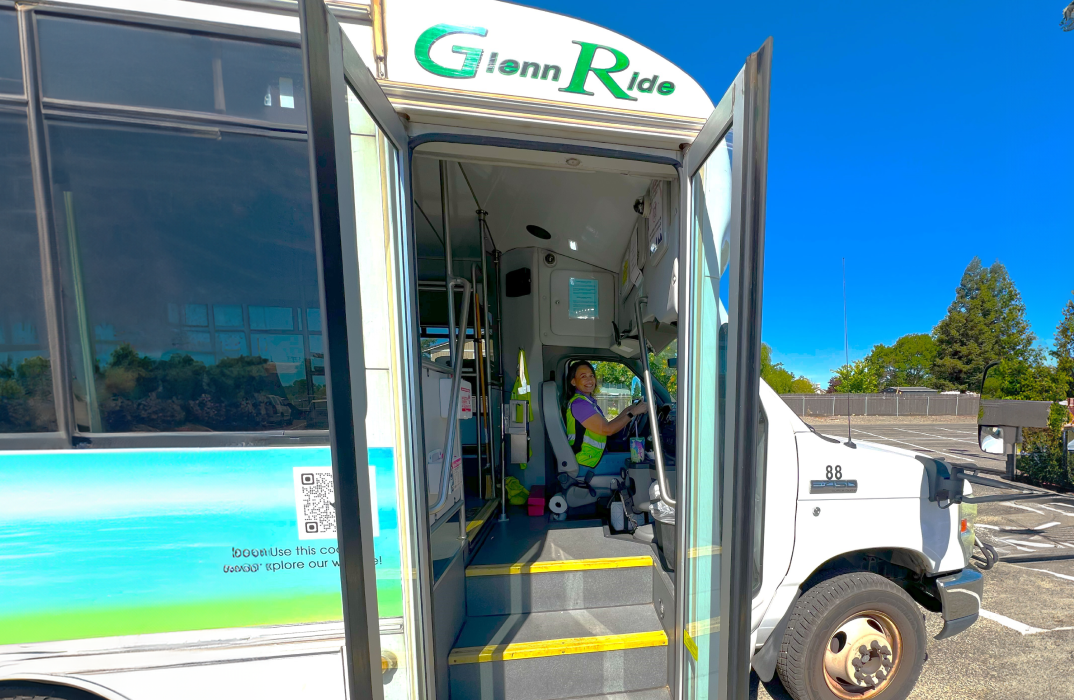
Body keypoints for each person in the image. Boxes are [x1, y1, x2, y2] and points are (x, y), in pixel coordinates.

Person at [564, 360, 648, 468]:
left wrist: (631, 408)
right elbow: (608, 430)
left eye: (591, 376)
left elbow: (609, 425)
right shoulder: (580, 404)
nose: (589, 380)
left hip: (593, 457)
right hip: (587, 462)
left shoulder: (586, 401)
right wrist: (633, 413)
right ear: (573, 382)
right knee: (640, 462)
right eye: (583, 376)